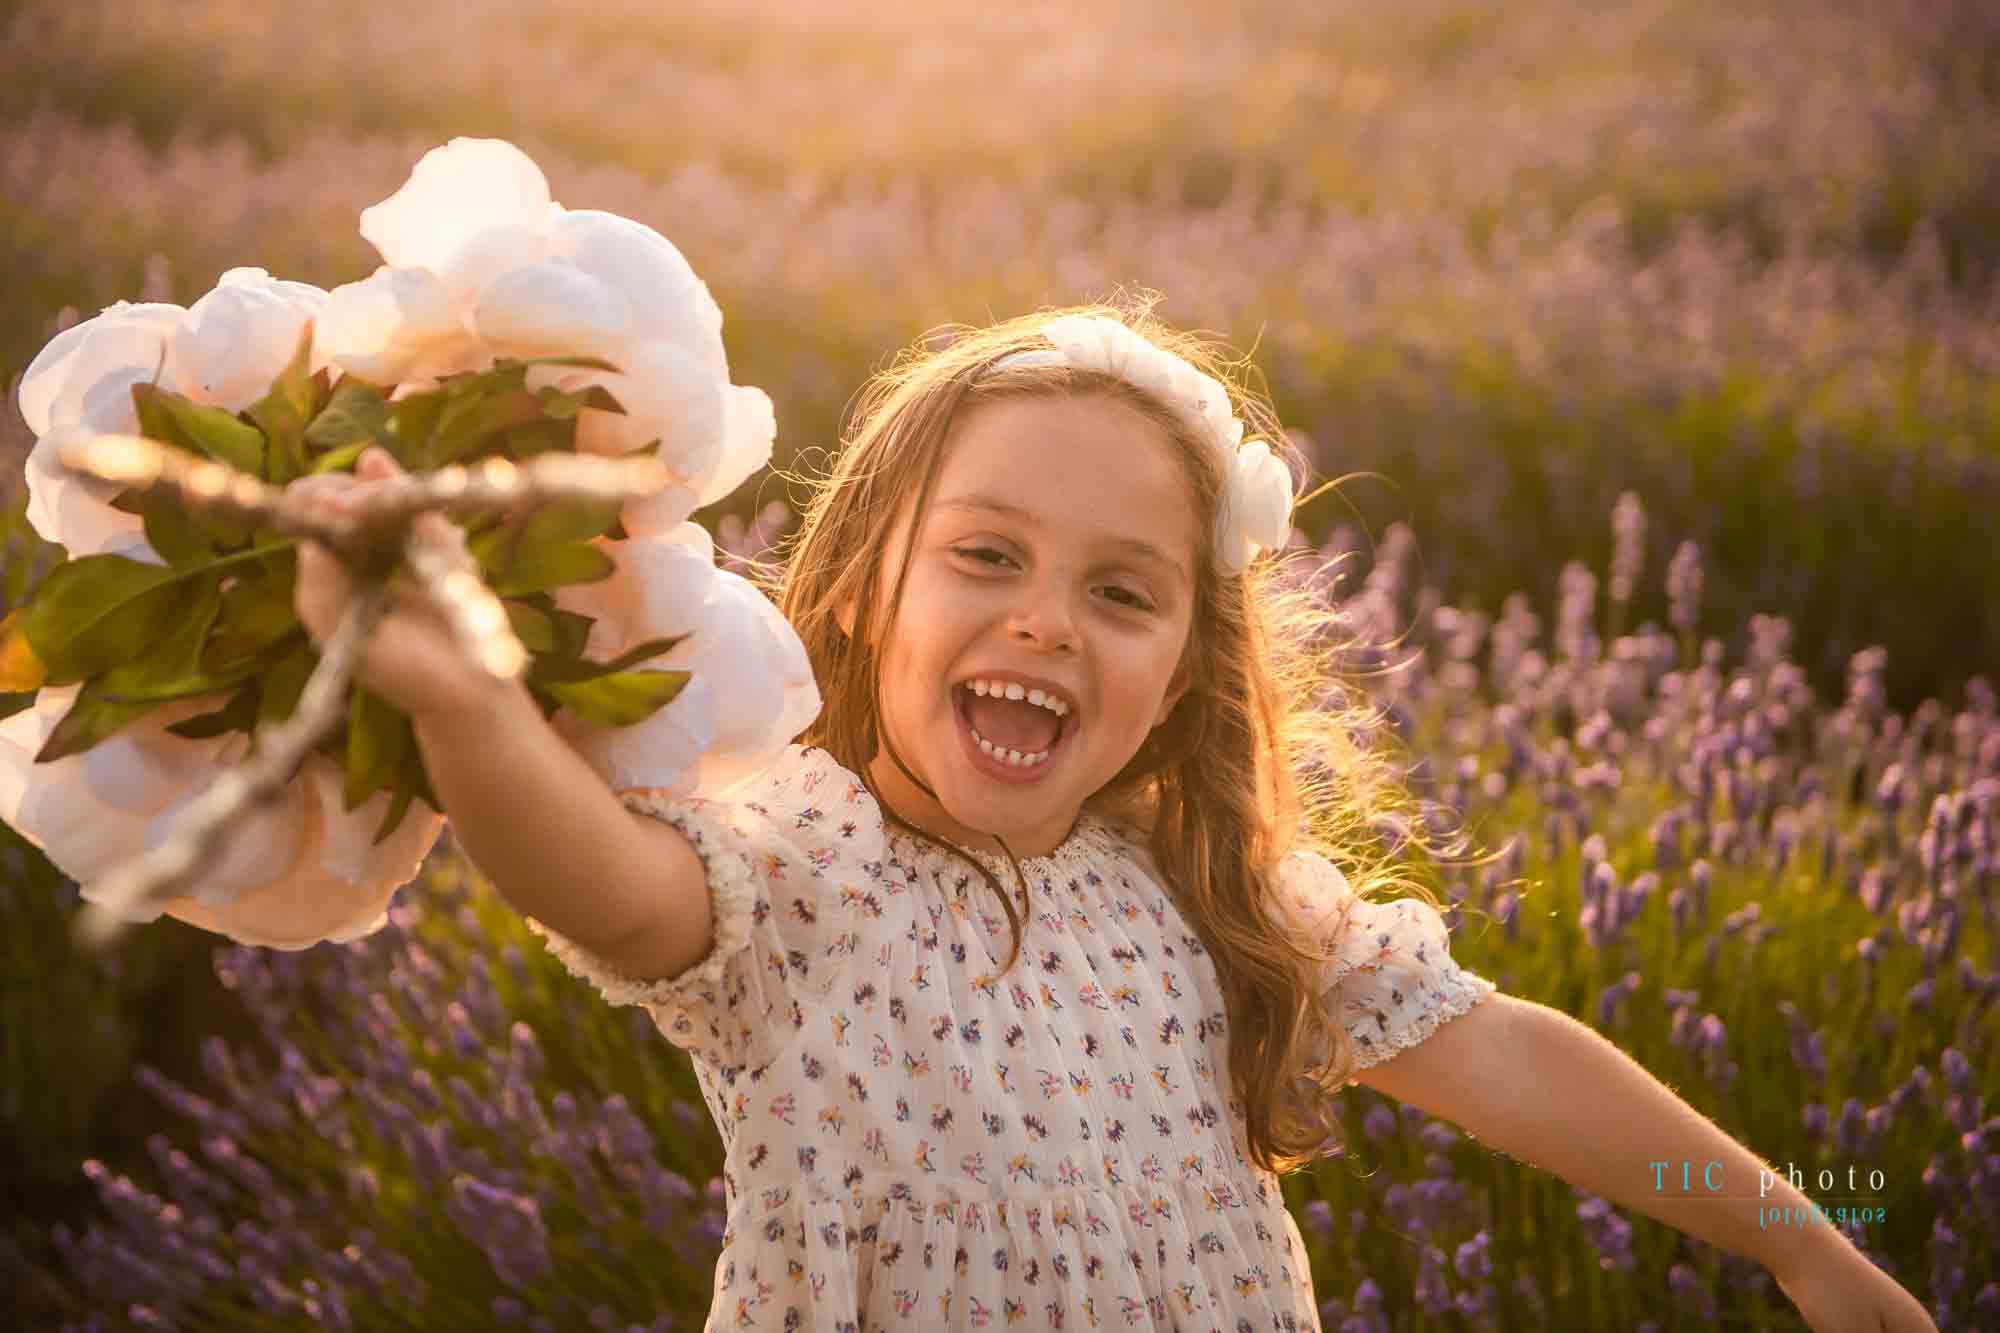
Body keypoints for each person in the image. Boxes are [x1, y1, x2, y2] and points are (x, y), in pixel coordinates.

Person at [294, 304, 1937, 1332]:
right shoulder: (805, 866)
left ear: (1181, 674)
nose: (1046, 620)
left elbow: (1504, 1051)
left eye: (1122, 588)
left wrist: (1798, 1229)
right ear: (863, 589)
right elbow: (607, 886)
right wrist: (466, 710)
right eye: (987, 556)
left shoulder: (1212, 896)